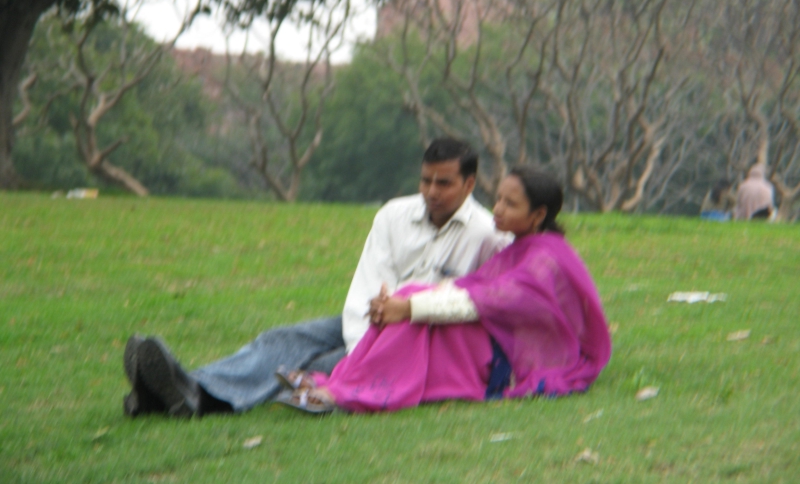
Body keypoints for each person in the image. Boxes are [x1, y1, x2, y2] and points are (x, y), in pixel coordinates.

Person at [123, 138, 510, 417]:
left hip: (421, 339)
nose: (431, 192)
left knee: (321, 363)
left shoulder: (488, 235)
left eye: (444, 183)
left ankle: (182, 397)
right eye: (426, 181)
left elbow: (480, 305)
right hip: (370, 325)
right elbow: (368, 285)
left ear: (470, 184)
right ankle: (185, 387)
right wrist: (364, 342)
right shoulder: (394, 215)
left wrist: (368, 353)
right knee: (283, 340)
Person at [277, 167, 611, 414]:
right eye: (498, 199)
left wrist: (408, 308)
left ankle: (346, 394)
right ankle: (337, 384)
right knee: (411, 294)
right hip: (496, 334)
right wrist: (402, 301)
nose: (497, 209)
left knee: (414, 314)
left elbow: (480, 303)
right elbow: (473, 289)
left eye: (510, 204)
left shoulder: (544, 259)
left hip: (516, 355)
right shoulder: (523, 245)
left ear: (538, 215)